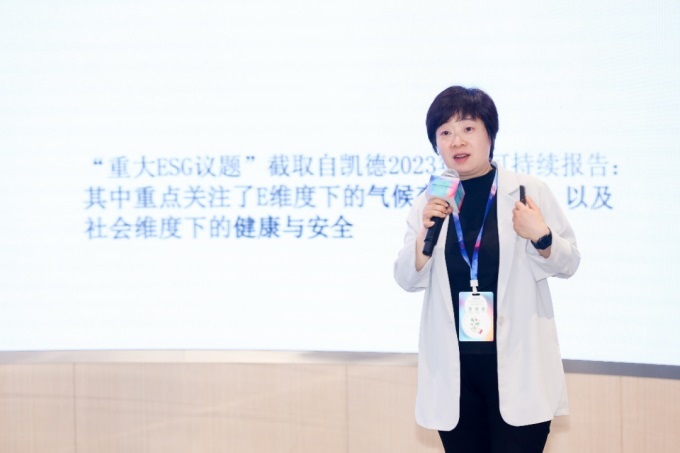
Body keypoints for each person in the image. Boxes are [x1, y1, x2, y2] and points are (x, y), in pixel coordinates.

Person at [394, 86, 580, 452]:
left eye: (468, 128)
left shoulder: (527, 190)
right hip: (455, 375)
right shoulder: (429, 202)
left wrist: (541, 235)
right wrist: (421, 241)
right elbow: (405, 278)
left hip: (519, 366)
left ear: (489, 135)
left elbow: (569, 262)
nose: (457, 141)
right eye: (445, 132)